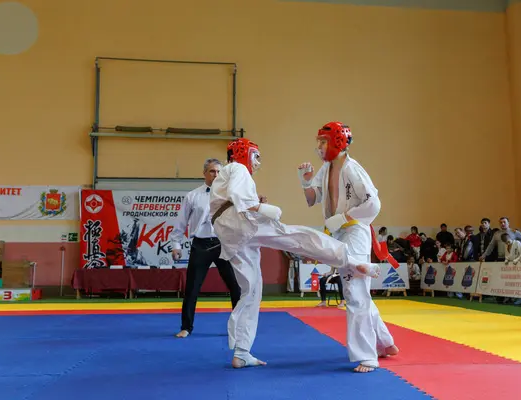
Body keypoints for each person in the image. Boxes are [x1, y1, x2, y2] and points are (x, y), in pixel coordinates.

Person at [210, 137, 384, 370]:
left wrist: (258, 205)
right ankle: (353, 261)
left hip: (228, 233)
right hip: (239, 223)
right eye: (256, 156)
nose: (257, 162)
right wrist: (262, 208)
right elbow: (239, 197)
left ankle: (241, 352)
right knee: (297, 237)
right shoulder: (238, 168)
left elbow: (234, 197)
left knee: (250, 289)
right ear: (245, 152)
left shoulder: (228, 173)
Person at [297, 121, 399, 373]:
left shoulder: (353, 169)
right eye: (318, 141)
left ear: (338, 143)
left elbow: (374, 205)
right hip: (338, 232)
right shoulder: (327, 167)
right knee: (357, 290)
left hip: (355, 232)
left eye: (323, 142)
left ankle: (368, 356)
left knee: (354, 293)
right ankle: (385, 343)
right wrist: (305, 181)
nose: (319, 147)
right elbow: (313, 200)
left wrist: (344, 217)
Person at [169, 158, 241, 338]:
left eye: (218, 172)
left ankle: (239, 327)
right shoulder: (192, 196)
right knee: (192, 288)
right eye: (212, 171)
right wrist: (176, 245)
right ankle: (186, 327)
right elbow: (180, 222)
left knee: (235, 286)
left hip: (223, 243)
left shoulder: (230, 195)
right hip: (200, 244)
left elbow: (244, 213)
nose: (216, 175)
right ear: (204, 174)